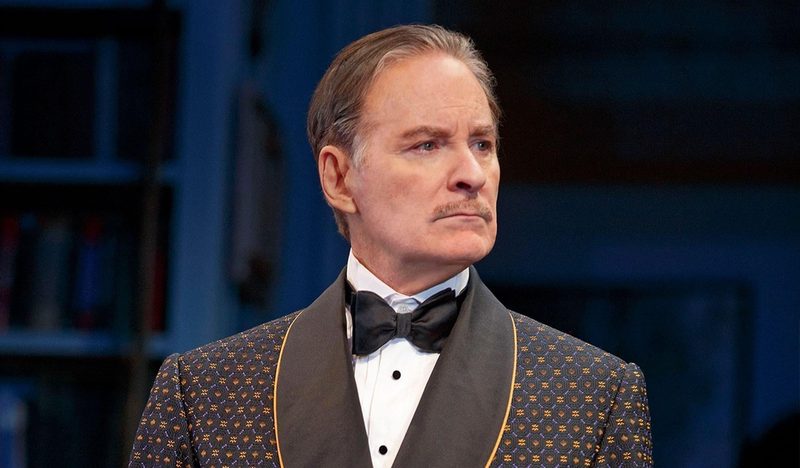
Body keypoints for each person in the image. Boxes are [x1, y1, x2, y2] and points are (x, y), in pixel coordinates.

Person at [129, 24, 652, 467]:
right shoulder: (203, 393)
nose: (472, 174)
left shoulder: (594, 396)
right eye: (427, 145)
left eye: (482, 144)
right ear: (339, 178)